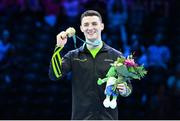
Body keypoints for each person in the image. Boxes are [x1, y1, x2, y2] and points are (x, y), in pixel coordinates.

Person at [49, 10, 132, 120]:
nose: (90, 27)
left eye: (94, 24)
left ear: (102, 26)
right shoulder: (73, 56)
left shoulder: (116, 56)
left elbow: (128, 86)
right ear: (81, 28)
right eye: (86, 24)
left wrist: (125, 90)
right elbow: (54, 75)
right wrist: (58, 47)